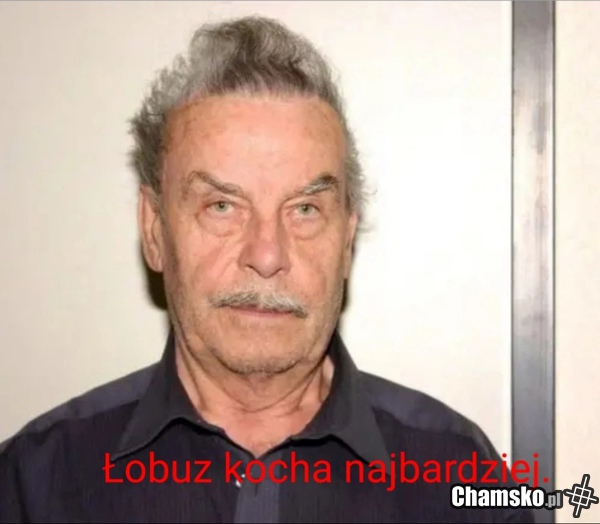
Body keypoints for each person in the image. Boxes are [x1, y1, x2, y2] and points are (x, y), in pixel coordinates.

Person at [0, 16, 534, 523]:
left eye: (305, 209)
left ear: (346, 239)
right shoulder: (33, 484)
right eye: (222, 206)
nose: (267, 254)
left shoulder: (462, 478)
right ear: (155, 229)